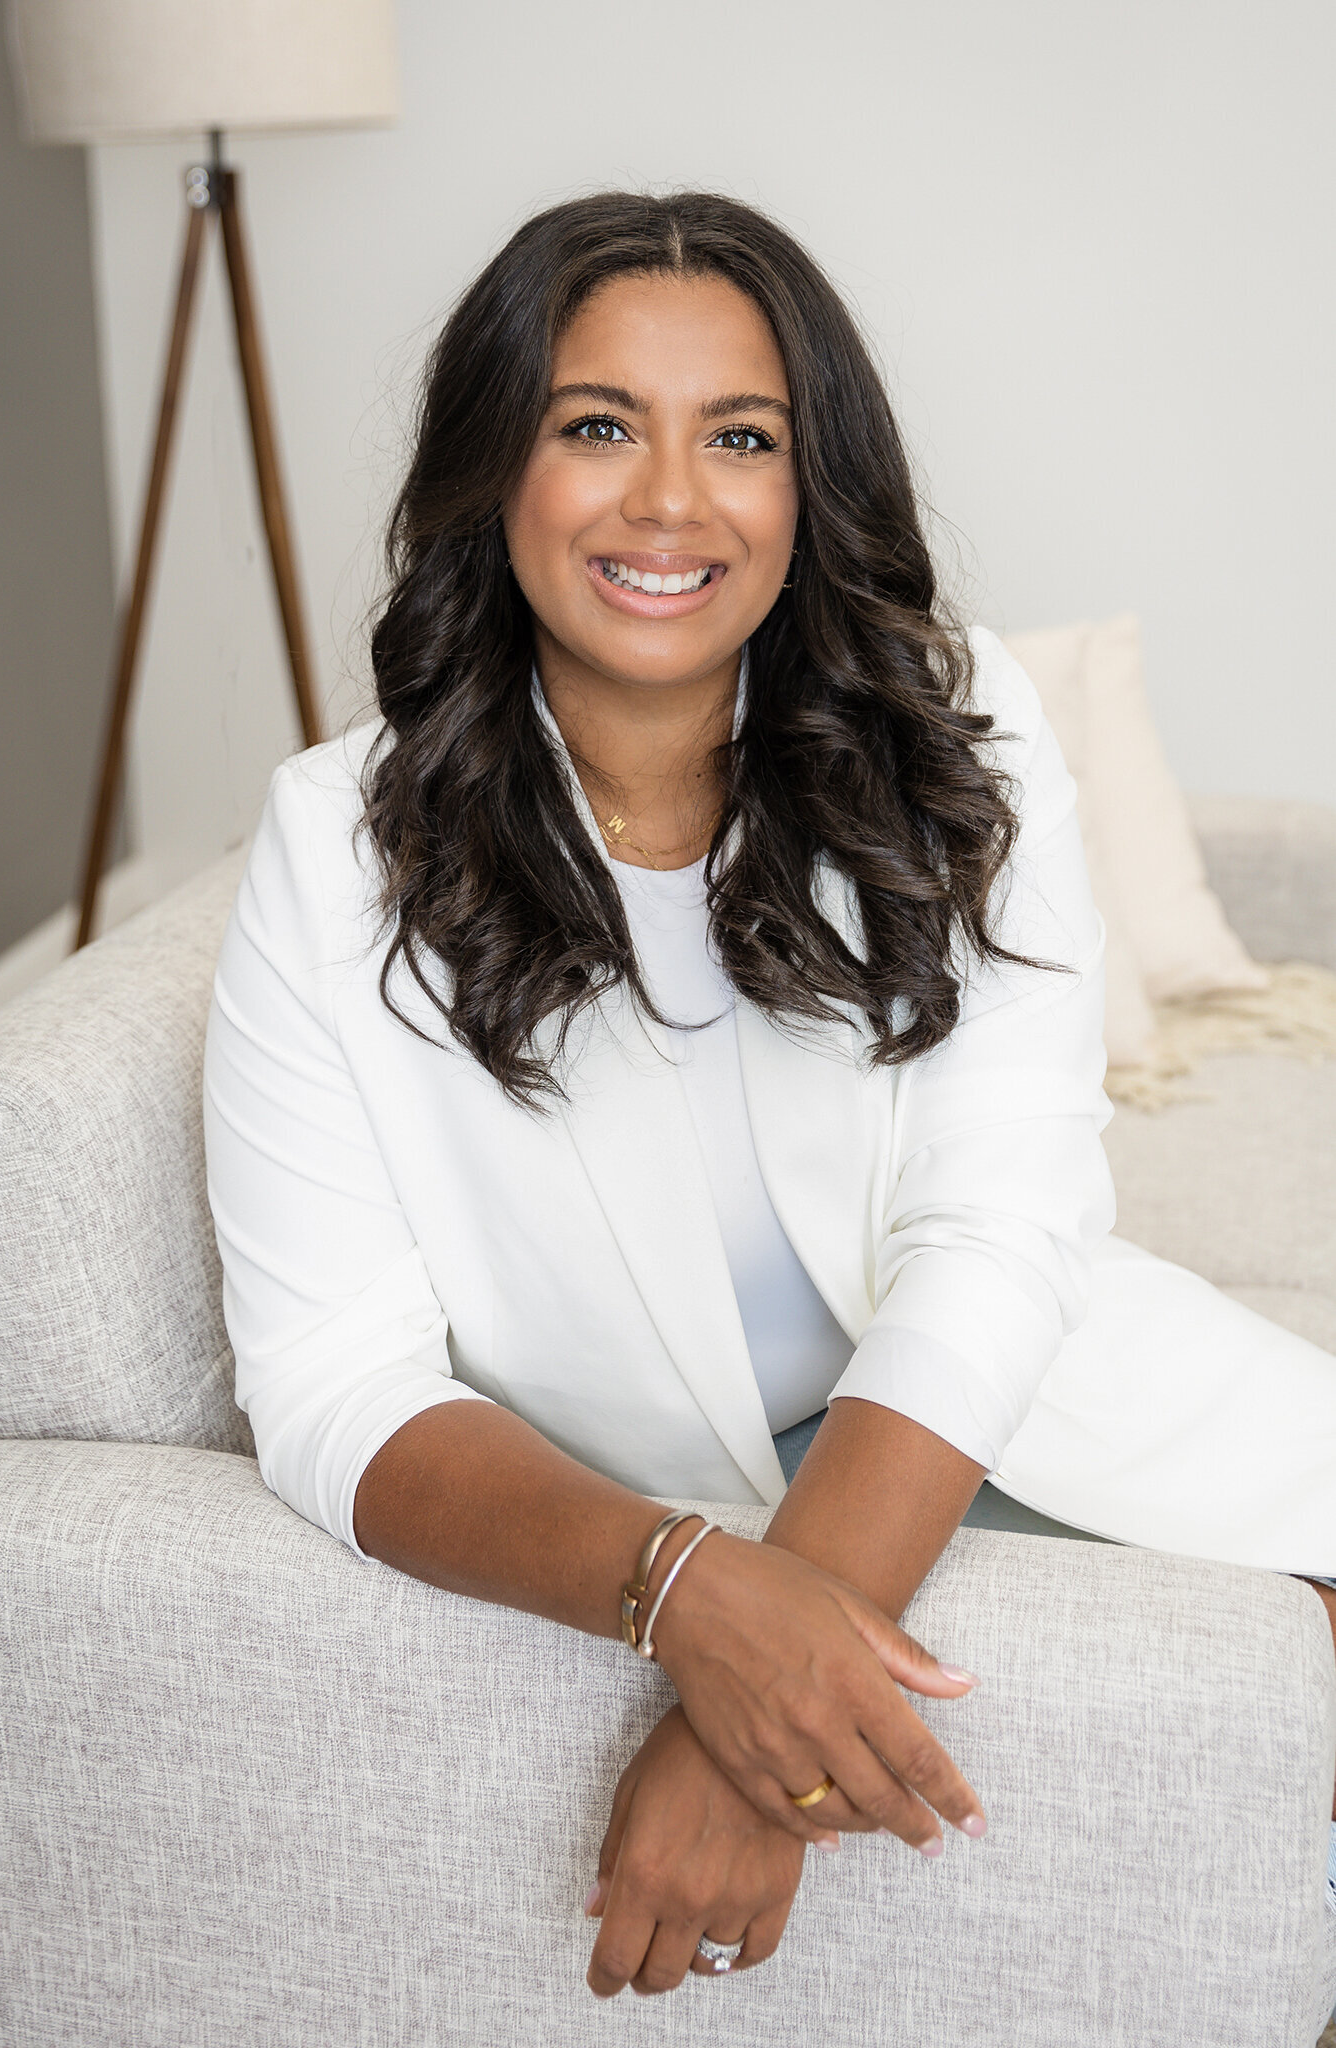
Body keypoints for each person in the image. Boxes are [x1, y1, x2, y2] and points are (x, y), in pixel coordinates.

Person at [202, 190, 1336, 2002]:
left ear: (811, 494)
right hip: (665, 1496)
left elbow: (1001, 1224)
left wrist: (769, 1714)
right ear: (493, 469)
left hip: (997, 1402)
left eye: (740, 438)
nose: (670, 502)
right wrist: (696, 1602)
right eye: (596, 428)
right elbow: (331, 1385)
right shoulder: (333, 850)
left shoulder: (961, 735)